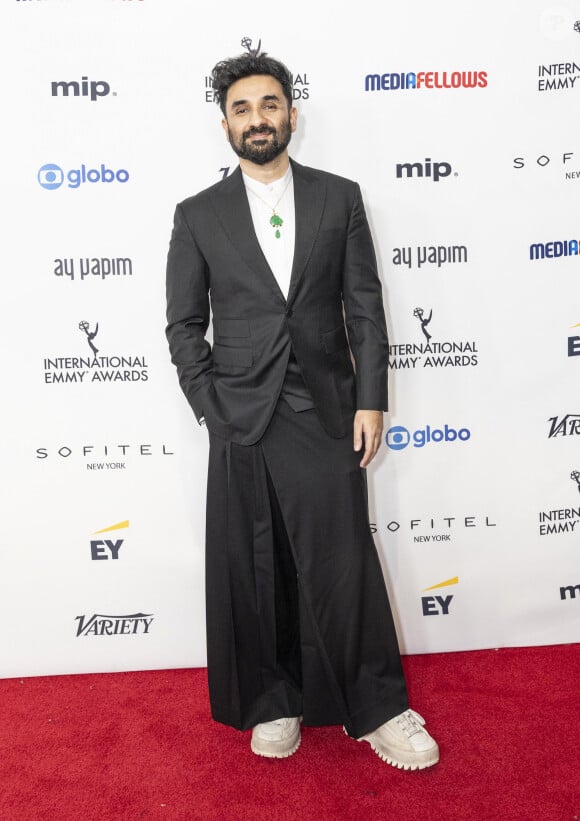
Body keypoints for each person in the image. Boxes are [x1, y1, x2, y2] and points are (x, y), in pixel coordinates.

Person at [165, 50, 439, 770]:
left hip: (325, 407)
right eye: (243, 108)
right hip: (241, 413)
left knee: (342, 559)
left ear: (292, 112)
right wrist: (210, 404)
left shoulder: (338, 197)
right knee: (256, 564)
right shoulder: (197, 215)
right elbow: (183, 325)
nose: (258, 119)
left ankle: (377, 707)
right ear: (224, 122)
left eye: (270, 104)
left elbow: (367, 311)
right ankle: (275, 700)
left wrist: (371, 399)